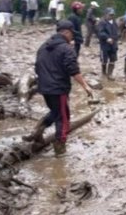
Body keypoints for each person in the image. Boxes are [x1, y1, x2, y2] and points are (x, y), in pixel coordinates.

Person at [23, 20, 93, 155]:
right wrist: (86, 86)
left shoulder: (43, 46)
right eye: (72, 34)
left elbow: (37, 66)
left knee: (55, 112)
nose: (73, 37)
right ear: (67, 32)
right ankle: (60, 150)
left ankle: (37, 131)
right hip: (58, 88)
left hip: (44, 87)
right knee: (63, 117)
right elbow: (73, 70)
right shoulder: (67, 49)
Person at [97, 8, 120, 81]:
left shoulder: (114, 22)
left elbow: (117, 32)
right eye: (110, 15)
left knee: (113, 59)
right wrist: (107, 38)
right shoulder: (102, 22)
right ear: (105, 14)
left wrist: (116, 38)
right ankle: (104, 73)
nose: (111, 16)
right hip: (105, 44)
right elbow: (100, 33)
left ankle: (110, 74)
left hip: (113, 44)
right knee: (104, 60)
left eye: (112, 15)